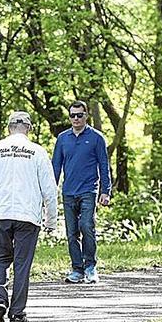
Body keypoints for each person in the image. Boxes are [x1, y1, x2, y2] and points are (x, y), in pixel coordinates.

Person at [0, 111, 58, 322]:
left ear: (9, 128)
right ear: (29, 128)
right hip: (28, 216)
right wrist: (51, 219)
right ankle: (18, 312)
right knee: (22, 264)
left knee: (0, 259)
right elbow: (49, 188)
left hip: (2, 214)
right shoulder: (37, 151)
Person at [52, 100, 112, 284]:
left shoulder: (96, 138)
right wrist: (49, 192)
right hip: (68, 191)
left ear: (86, 115)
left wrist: (105, 191)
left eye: (79, 115)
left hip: (89, 190)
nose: (76, 118)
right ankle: (76, 269)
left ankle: (90, 267)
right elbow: (55, 166)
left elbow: (104, 165)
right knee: (71, 232)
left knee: (86, 226)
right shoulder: (63, 138)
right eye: (72, 115)